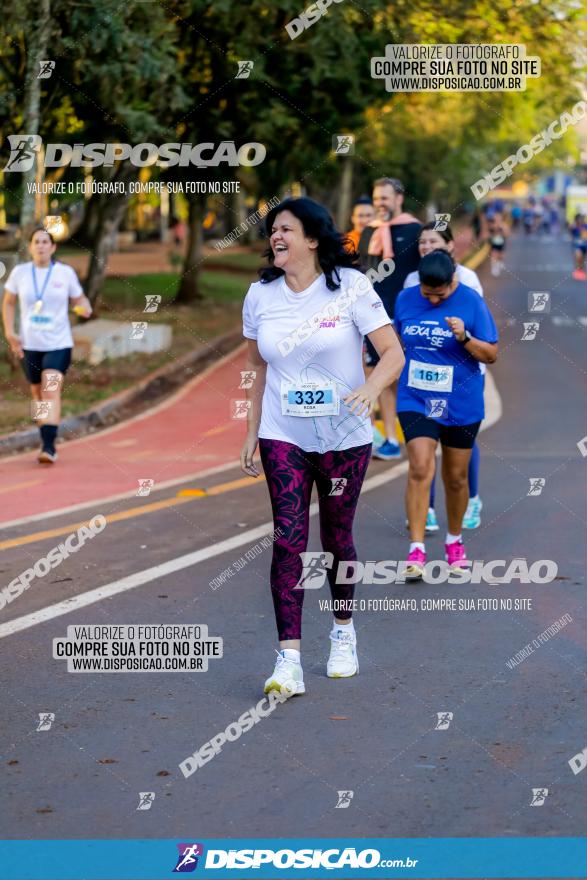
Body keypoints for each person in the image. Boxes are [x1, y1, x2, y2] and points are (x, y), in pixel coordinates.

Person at [240, 197, 404, 696]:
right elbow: (257, 369)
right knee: (288, 537)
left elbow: (393, 353)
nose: (276, 236)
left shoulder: (351, 287)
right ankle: (287, 658)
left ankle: (343, 632)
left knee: (336, 537)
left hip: (344, 436)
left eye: (286, 228)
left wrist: (371, 391)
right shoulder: (259, 295)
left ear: (312, 238)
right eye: (272, 230)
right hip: (283, 432)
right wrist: (251, 431)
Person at [394, 250, 498, 580]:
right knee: (420, 466)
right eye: (428, 294)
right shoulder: (405, 299)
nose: (434, 300)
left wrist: (464, 338)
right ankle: (416, 549)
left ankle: (455, 542)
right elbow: (396, 341)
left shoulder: (471, 302)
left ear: (453, 280)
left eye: (440, 294)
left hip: (461, 400)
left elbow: (491, 353)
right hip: (417, 397)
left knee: (456, 478)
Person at [403, 222, 485, 532]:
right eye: (422, 242)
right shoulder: (412, 280)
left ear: (450, 246)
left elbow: (478, 328)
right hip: (423, 380)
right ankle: (430, 507)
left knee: (458, 444)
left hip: (462, 377)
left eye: (433, 241)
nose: (425, 246)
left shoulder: (468, 279)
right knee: (423, 449)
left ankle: (472, 498)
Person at [2, 227, 92, 463]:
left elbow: (79, 300)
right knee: (37, 393)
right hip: (29, 344)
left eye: (45, 241)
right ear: (31, 247)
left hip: (58, 344)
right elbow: (9, 303)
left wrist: (84, 306)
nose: (41, 245)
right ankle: (45, 438)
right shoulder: (20, 273)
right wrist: (10, 331)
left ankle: (50, 447)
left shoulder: (64, 273)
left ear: (53, 247)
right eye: (36, 242)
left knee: (50, 389)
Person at [359, 177, 421, 460]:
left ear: (399, 199)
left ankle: (421, 434)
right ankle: (392, 442)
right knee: (382, 377)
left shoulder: (416, 230)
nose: (380, 204)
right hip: (374, 319)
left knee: (407, 377)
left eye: (384, 198)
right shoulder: (367, 233)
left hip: (407, 317)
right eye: (376, 199)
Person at [570, 212, 587, 281]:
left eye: (582, 219)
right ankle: (576, 272)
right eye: (579, 219)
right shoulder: (574, 226)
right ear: (576, 219)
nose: (581, 220)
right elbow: (570, 230)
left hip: (585, 245)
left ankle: (582, 272)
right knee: (578, 256)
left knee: (582, 260)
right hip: (577, 245)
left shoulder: (585, 226)